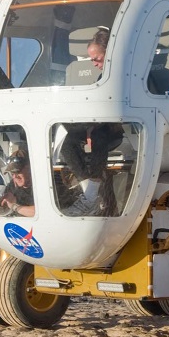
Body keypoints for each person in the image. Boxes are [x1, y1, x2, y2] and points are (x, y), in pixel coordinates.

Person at [60, 27, 120, 215]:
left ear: (109, 53)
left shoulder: (126, 73)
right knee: (66, 140)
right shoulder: (102, 77)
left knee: (98, 135)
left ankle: (91, 193)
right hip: (98, 122)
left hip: (118, 126)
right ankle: (89, 188)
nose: (93, 63)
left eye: (96, 58)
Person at [0, 150, 36, 217]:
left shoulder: (39, 186)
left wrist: (14, 206)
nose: (15, 177)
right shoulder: (13, 185)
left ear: (29, 168)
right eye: (12, 173)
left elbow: (40, 213)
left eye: (17, 172)